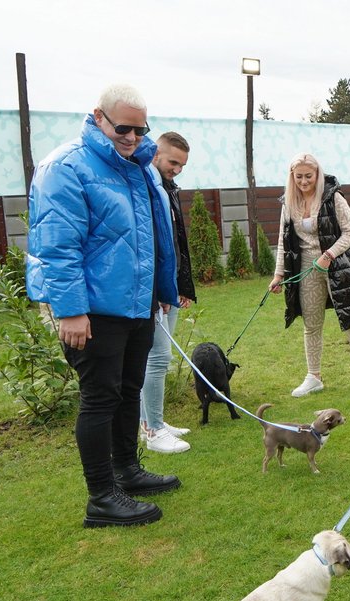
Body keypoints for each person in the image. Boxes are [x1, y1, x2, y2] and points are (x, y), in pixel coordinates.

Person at [26, 84, 181, 528]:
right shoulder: (65, 166)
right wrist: (71, 310)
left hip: (136, 304)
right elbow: (57, 245)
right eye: (124, 128)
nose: (132, 137)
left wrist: (159, 295)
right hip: (92, 309)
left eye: (140, 128)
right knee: (99, 398)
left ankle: (126, 472)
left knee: (127, 390)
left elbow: (153, 239)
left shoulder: (140, 167)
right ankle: (101, 497)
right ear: (99, 117)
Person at [268, 153, 350, 399]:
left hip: (340, 267)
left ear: (317, 175)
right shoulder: (289, 202)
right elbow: (282, 240)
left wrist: (328, 255)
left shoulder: (333, 197)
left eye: (309, 176)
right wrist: (278, 275)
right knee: (311, 325)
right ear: (292, 177)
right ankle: (314, 377)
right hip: (306, 269)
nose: (304, 181)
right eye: (299, 177)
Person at [139, 132, 197, 454]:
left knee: (155, 357)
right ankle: (154, 430)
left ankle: (150, 421)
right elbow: (150, 245)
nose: (177, 169)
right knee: (157, 357)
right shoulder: (145, 186)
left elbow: (176, 244)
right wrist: (161, 289)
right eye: (173, 161)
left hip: (168, 287)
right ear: (156, 153)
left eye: (182, 165)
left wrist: (180, 287)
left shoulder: (168, 188)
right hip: (153, 291)